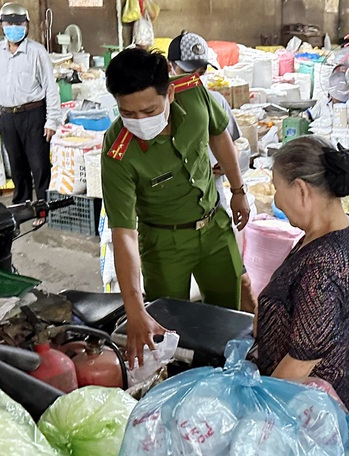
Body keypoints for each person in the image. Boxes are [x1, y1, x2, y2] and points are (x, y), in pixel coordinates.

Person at [101, 47, 250, 367]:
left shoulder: (193, 93)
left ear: (169, 93)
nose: (139, 120)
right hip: (163, 244)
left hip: (215, 229)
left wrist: (238, 191)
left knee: (227, 322)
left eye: (149, 110)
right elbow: (124, 234)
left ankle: (227, 378)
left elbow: (219, 135)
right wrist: (135, 309)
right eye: (128, 113)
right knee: (169, 330)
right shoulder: (118, 150)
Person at [255, 135, 349, 411]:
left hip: (310, 408)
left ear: (301, 190)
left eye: (277, 188)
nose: (276, 200)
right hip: (336, 381)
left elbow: (300, 364)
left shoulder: (322, 268)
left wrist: (258, 411)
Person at [167, 31, 256, 314]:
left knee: (238, 287)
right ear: (170, 67)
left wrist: (232, 180)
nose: (195, 78)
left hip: (212, 211)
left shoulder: (215, 102)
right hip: (171, 225)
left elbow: (233, 145)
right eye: (187, 71)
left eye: (201, 71)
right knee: (172, 308)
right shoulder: (158, 110)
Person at [0, 2, 61, 225]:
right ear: (1, 25)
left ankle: (42, 209)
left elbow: (50, 87)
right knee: (17, 165)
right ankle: (20, 207)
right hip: (8, 117)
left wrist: (52, 120)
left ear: (27, 25)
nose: (14, 27)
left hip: (34, 114)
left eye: (19, 23)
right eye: (9, 23)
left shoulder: (37, 52)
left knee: (38, 164)